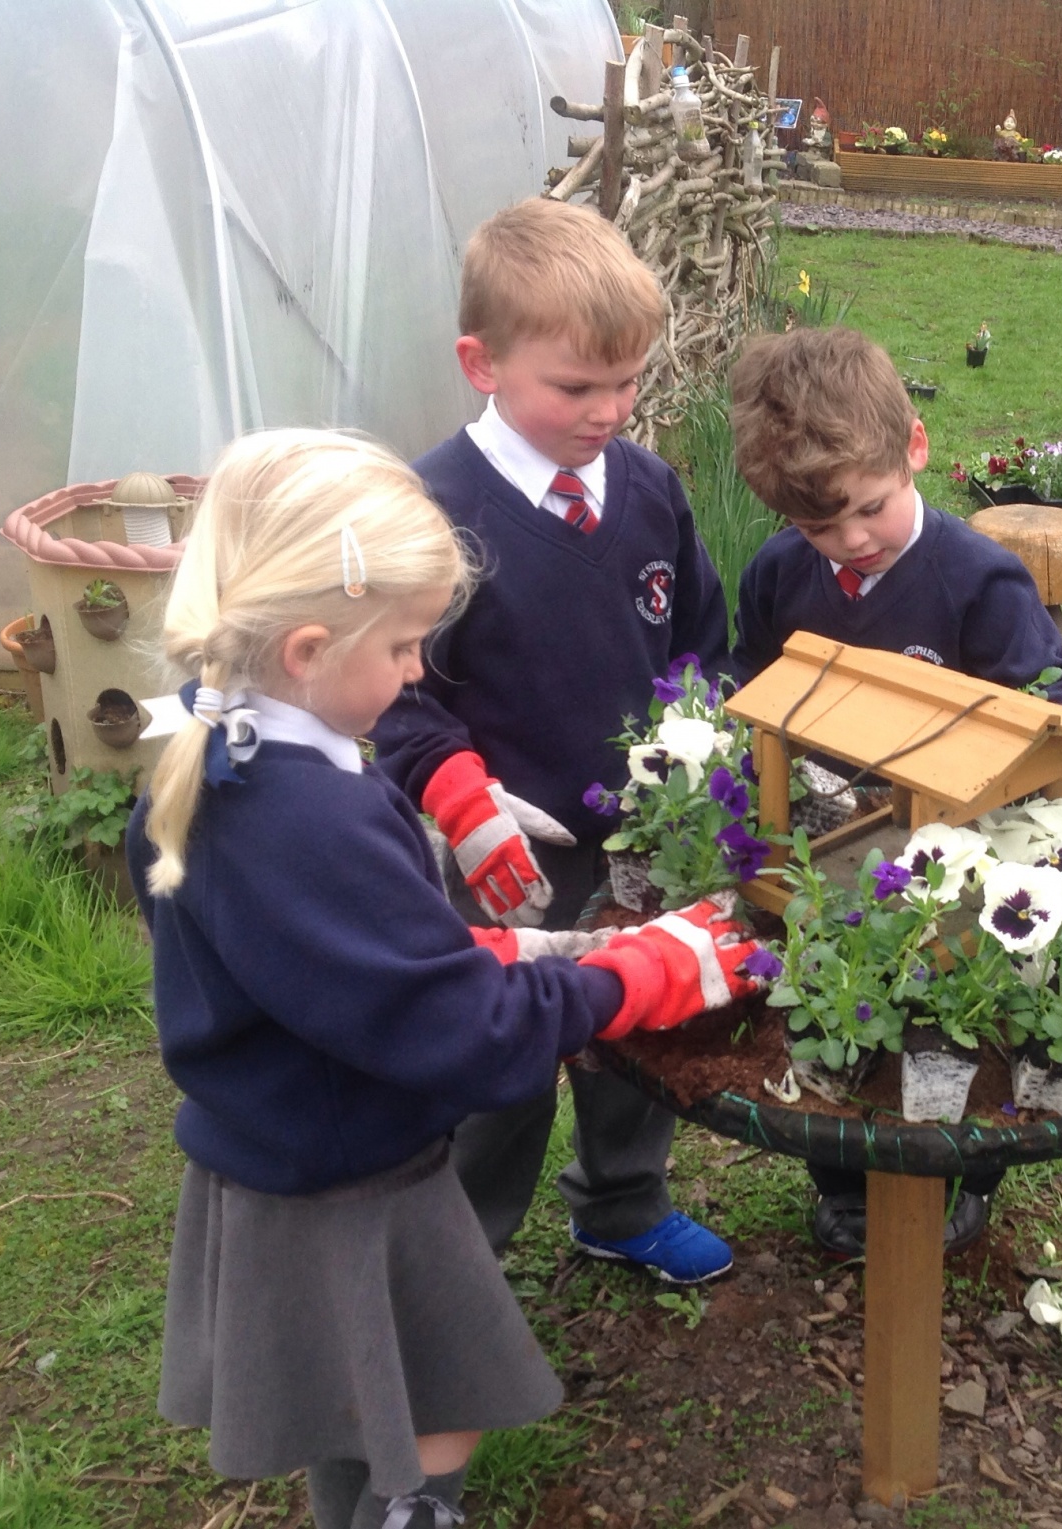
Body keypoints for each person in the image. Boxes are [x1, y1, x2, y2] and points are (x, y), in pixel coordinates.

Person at [128, 430, 765, 1529]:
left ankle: (388, 1501)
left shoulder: (232, 759)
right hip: (347, 1176)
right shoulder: (307, 818)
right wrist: (640, 978)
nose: (420, 671)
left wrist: (550, 949)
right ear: (310, 649)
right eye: (409, 647)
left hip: (297, 1132)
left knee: (380, 1392)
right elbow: (459, 1030)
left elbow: (349, 970)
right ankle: (400, 1511)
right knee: (406, 1400)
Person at [371, 198, 735, 1284]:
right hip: (504, 848)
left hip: (642, 834)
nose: (608, 410)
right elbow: (395, 692)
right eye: (575, 387)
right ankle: (460, 1259)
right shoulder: (433, 509)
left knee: (640, 1016)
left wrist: (699, 749)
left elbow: (699, 644)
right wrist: (458, 793)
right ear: (480, 362)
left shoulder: (650, 490)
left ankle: (621, 1201)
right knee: (502, 1056)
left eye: (626, 384)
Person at [728, 324, 1062, 1258]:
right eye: (819, 527)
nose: (849, 542)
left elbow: (1060, 705)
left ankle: (958, 1179)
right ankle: (845, 1177)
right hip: (824, 856)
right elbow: (754, 690)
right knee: (834, 1013)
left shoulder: (979, 579)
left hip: (955, 860)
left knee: (947, 1028)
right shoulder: (779, 574)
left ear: (915, 451)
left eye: (868, 510)